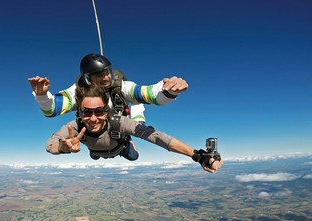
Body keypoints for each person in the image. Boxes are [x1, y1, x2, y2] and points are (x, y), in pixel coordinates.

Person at [30, 53, 188, 160]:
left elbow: (147, 94)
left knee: (134, 152)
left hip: (118, 131)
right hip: (95, 135)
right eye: (99, 74)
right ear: (87, 78)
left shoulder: (121, 87)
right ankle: (97, 149)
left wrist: (167, 92)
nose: (106, 77)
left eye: (108, 72)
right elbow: (53, 108)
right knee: (96, 152)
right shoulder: (78, 92)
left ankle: (128, 140)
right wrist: (42, 96)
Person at [45, 85, 223, 173]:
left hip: (119, 148)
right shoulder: (75, 127)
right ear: (79, 113)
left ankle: (128, 140)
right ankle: (99, 151)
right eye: (87, 112)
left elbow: (158, 138)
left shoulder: (120, 122)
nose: (92, 118)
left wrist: (197, 155)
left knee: (134, 156)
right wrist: (63, 147)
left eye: (99, 111)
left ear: (106, 111)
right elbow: (50, 144)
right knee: (95, 155)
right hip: (97, 150)